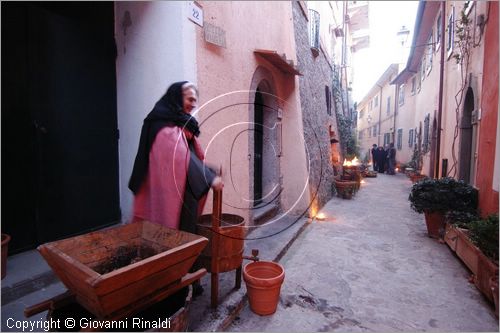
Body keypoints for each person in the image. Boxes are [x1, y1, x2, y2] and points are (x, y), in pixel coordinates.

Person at [129, 81, 223, 232]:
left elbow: (188, 154)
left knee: (184, 236)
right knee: (173, 236)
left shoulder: (180, 122)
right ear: (177, 97)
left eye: (195, 100)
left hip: (184, 192)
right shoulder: (162, 124)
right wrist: (209, 177)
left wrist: (208, 170)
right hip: (169, 193)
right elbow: (179, 155)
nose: (193, 104)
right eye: (190, 99)